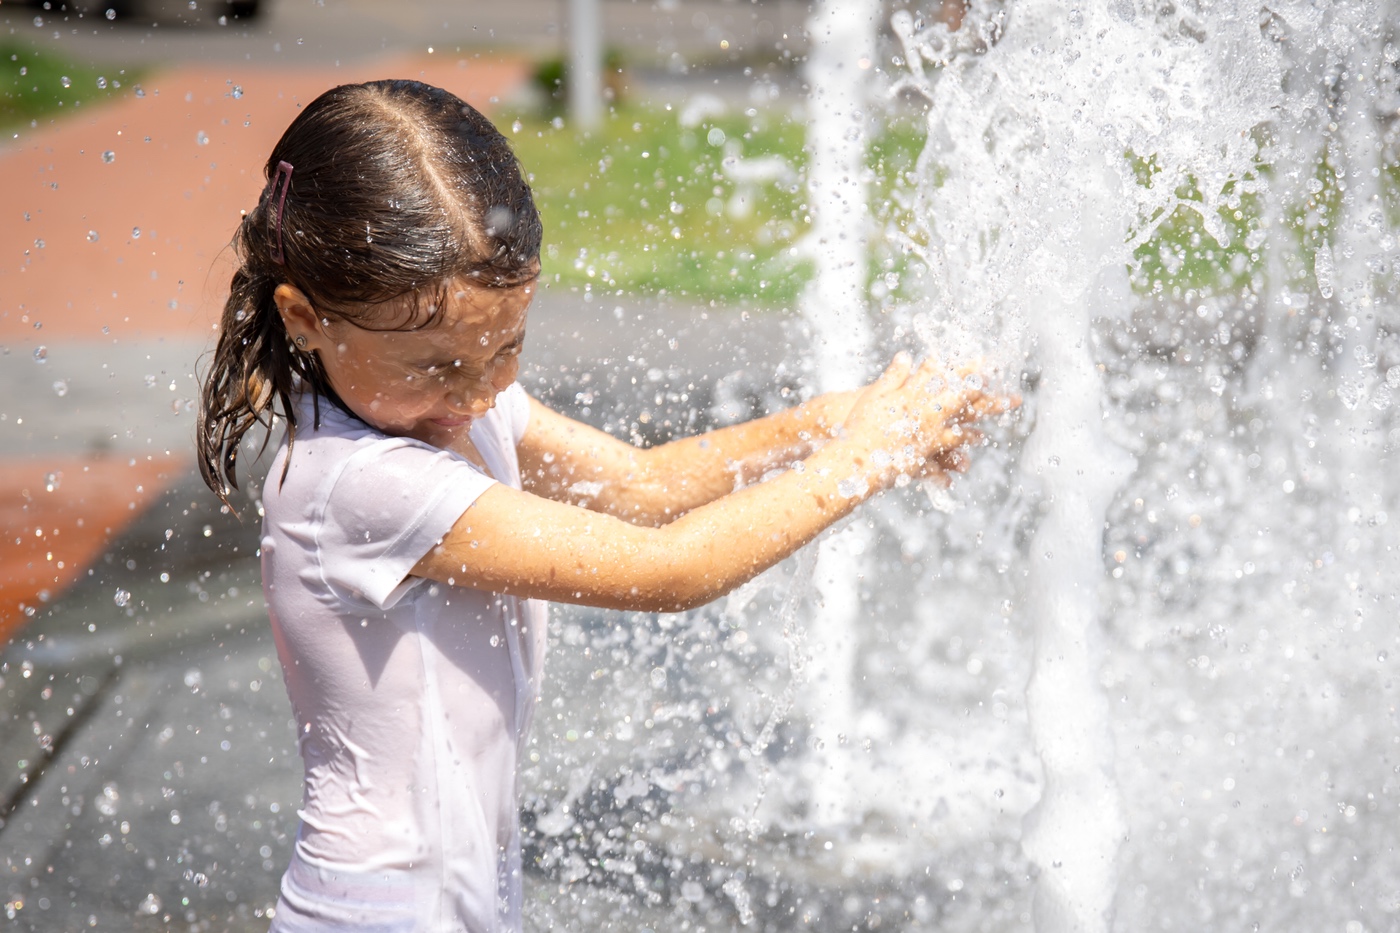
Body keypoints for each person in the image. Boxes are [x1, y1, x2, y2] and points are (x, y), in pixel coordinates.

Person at [196, 79, 1012, 933]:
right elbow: (673, 569)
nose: (478, 394)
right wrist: (867, 456)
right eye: (438, 366)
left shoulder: (452, 405)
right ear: (305, 318)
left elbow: (639, 485)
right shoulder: (355, 481)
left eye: (507, 346)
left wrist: (828, 422)